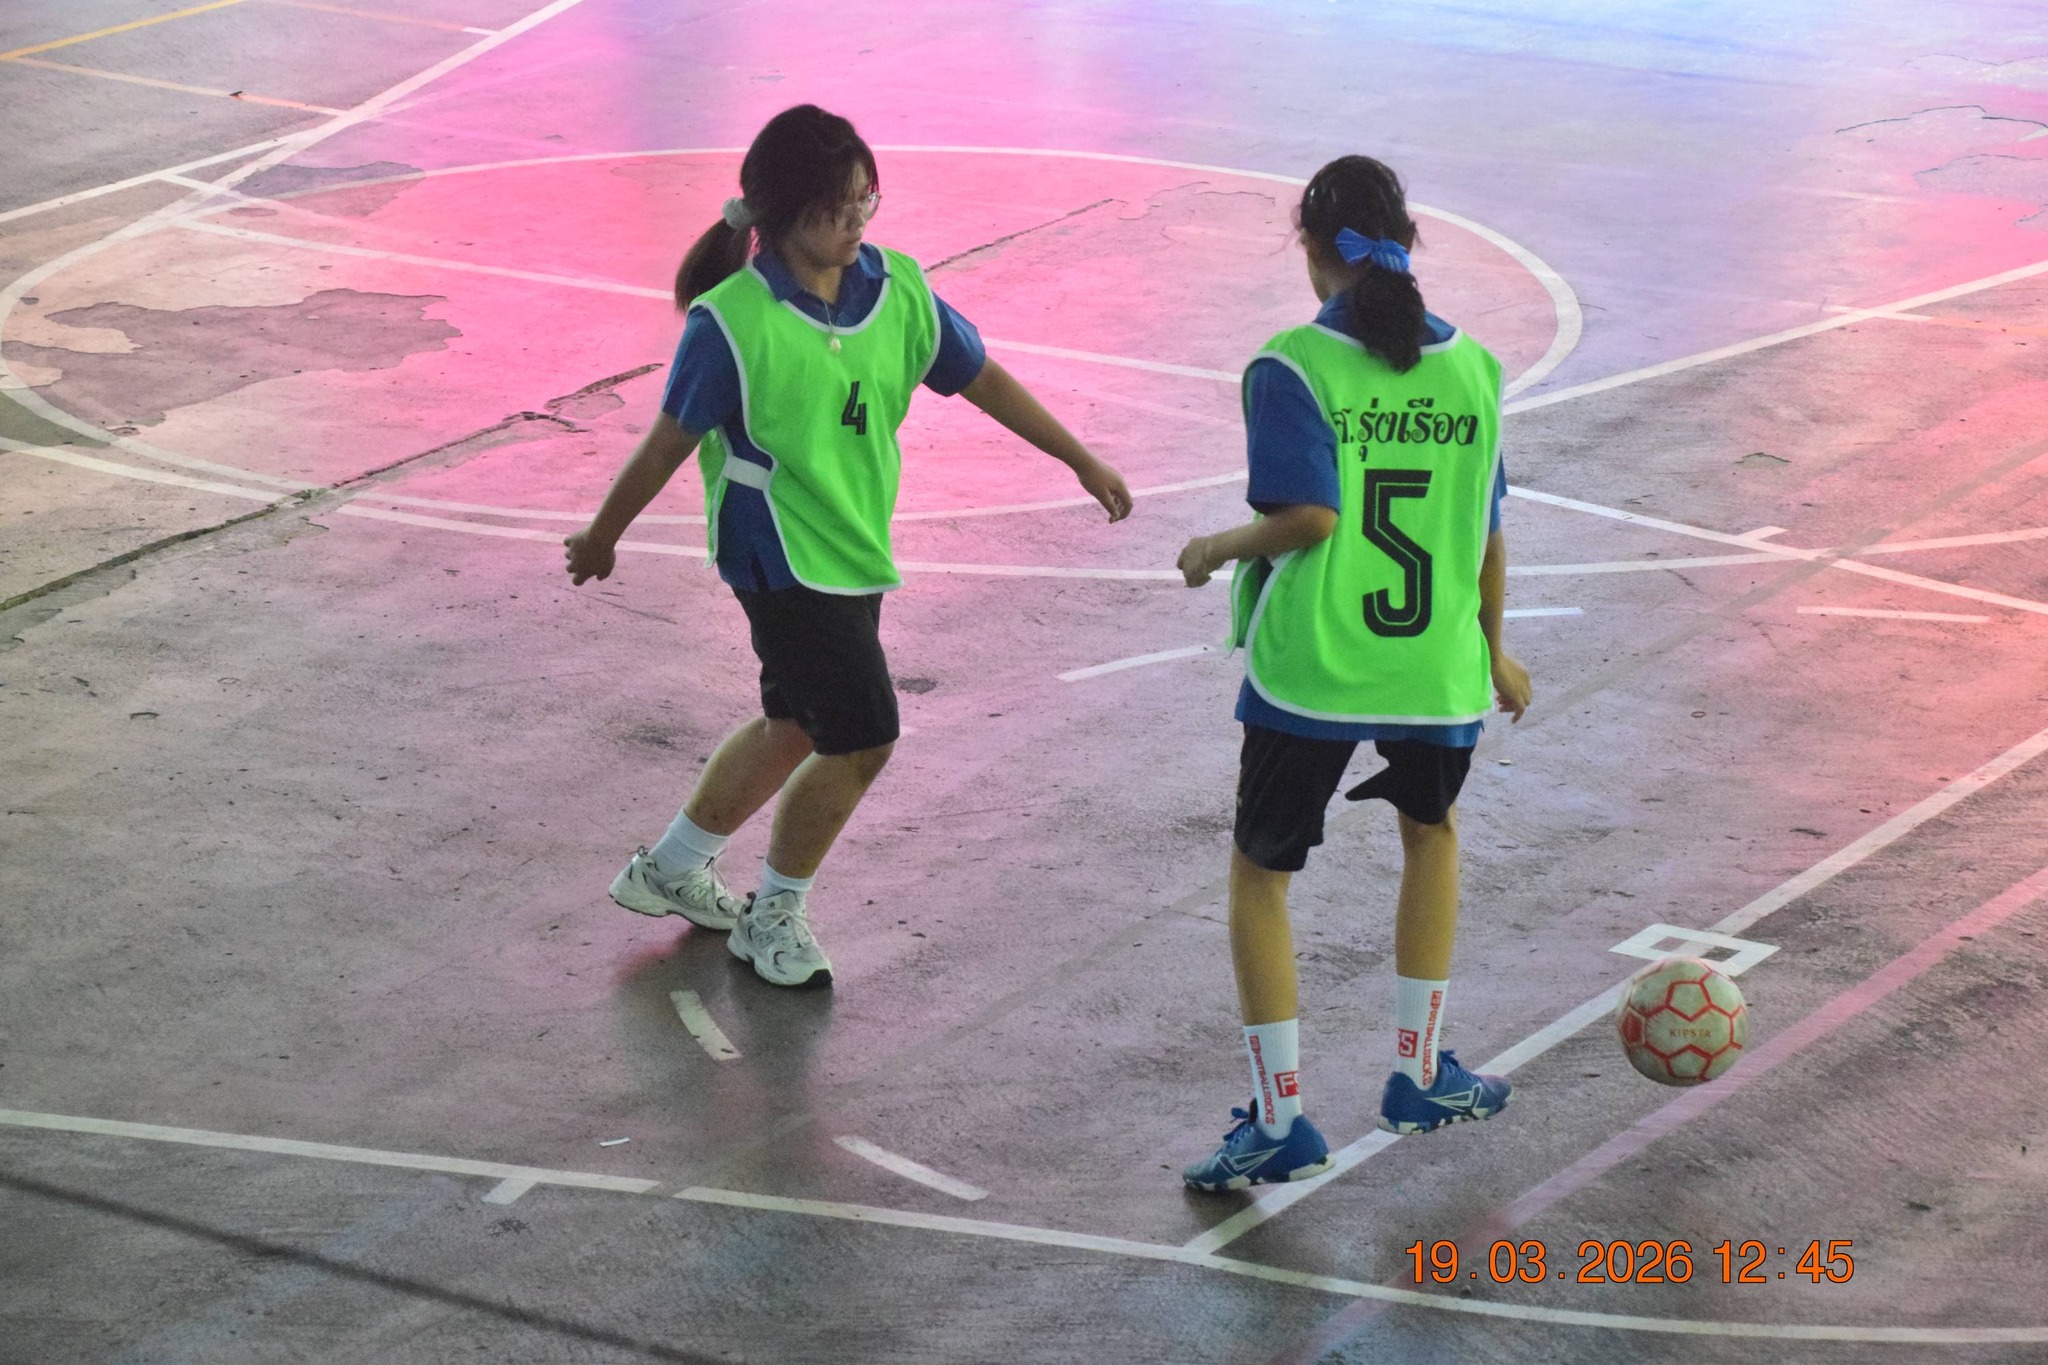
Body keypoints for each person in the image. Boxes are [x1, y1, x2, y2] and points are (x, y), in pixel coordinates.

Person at [565, 105, 1132, 988]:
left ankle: (672, 866)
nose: (858, 217)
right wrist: (604, 535)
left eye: (867, 197)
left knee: (795, 722)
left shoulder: (897, 289)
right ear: (786, 211)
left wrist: (1078, 456)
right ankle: (773, 914)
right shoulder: (733, 322)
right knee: (863, 735)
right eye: (838, 204)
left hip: (851, 537)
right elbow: (668, 442)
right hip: (779, 549)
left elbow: (981, 377)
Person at [1175, 154, 1533, 1190]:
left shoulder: (1291, 365)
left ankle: (1279, 1117)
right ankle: (1417, 1072)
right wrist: (1493, 647)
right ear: (1405, 242)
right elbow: (1485, 532)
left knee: (1260, 874)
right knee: (1432, 835)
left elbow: (1310, 518)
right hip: (1435, 665)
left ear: (1313, 249)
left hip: (1319, 665)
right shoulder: (1473, 371)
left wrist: (1215, 547)